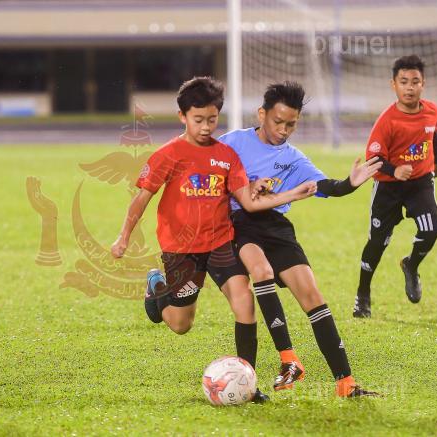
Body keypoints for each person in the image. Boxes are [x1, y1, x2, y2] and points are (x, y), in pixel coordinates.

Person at [110, 77, 316, 402]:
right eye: (198, 120)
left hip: (220, 243)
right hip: (181, 250)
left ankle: (248, 383)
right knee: (181, 324)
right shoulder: (168, 154)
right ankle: (157, 287)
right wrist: (123, 237)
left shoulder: (226, 155)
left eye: (212, 119)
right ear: (182, 116)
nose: (206, 127)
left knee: (244, 301)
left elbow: (248, 202)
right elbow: (142, 198)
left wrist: (291, 194)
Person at [219, 81, 380, 397]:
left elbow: (326, 186)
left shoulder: (293, 159)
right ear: (262, 114)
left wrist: (350, 183)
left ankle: (346, 383)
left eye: (290, 124)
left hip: (277, 227)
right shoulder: (233, 142)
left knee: (312, 296)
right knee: (261, 271)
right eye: (277, 121)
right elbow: (209, 170)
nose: (283, 130)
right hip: (241, 224)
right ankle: (289, 358)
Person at [354, 55, 437, 318]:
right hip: (388, 189)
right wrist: (394, 170)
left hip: (420, 184)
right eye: (403, 82)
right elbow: (373, 158)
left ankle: (411, 265)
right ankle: (363, 294)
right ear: (393, 84)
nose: (409, 87)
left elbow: (432, 133)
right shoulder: (387, 121)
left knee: (431, 231)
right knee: (377, 243)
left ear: (423, 84)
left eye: (415, 82)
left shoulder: (432, 110)